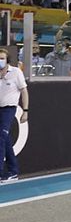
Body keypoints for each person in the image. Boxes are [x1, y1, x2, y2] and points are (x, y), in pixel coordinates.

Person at [0, 49, 28, 183]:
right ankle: (13, 171)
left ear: (7, 59)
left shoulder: (16, 72)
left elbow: (24, 91)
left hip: (9, 108)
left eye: (2, 58)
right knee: (5, 139)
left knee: (1, 136)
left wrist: (26, 110)